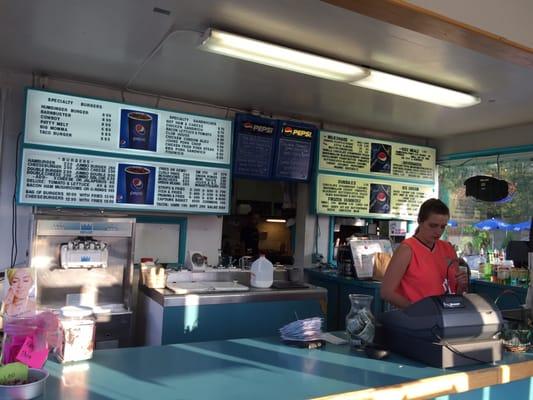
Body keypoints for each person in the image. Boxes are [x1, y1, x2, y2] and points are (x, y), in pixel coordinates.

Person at [381, 199, 468, 309]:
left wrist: (461, 285)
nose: (438, 232)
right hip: (418, 319)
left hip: (446, 315)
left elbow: (455, 292)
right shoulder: (407, 250)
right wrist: (417, 310)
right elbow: (387, 292)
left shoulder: (448, 249)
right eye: (433, 225)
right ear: (420, 221)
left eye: (443, 227)